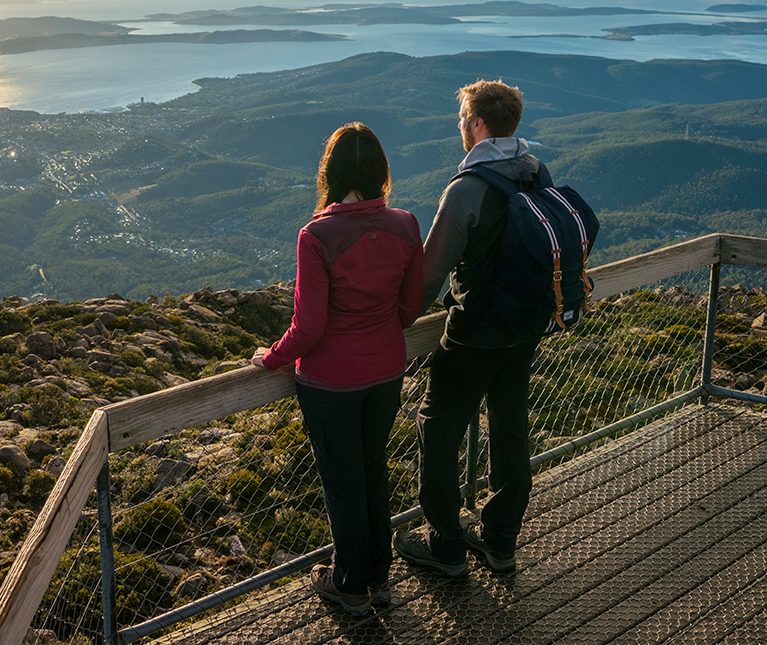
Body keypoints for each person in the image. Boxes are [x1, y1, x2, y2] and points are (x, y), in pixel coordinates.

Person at [396, 80, 595, 578]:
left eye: (463, 118)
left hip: (473, 334)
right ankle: (500, 540)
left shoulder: (467, 189)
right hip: (526, 328)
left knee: (437, 431)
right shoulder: (536, 171)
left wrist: (395, 322)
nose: (461, 125)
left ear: (478, 124)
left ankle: (446, 546)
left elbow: (431, 275)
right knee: (510, 430)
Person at [253, 123, 424, 617]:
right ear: (380, 171)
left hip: (331, 382)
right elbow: (409, 307)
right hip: (388, 370)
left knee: (342, 483)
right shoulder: (406, 224)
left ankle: (349, 586)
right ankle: (379, 577)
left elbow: (309, 327)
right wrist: (377, 335)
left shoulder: (317, 235)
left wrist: (270, 358)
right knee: (373, 472)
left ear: (328, 174)